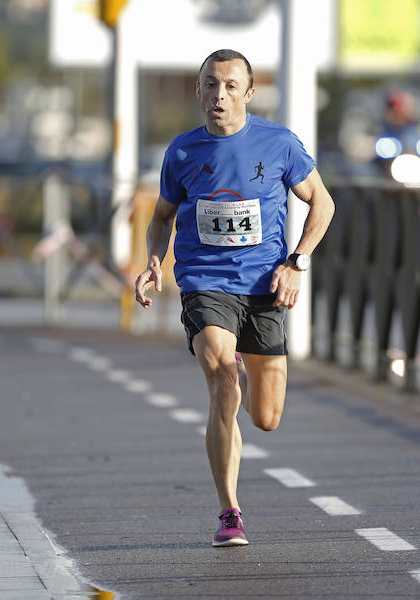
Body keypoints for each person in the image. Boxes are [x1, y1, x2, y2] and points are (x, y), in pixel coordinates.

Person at [134, 49, 335, 547]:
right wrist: (154, 260)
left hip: (265, 287)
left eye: (228, 86)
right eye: (209, 85)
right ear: (197, 90)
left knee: (266, 418)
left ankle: (245, 374)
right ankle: (230, 511)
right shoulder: (181, 153)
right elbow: (161, 218)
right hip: (205, 284)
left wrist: (296, 262)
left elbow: (323, 203)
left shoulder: (279, 143)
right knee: (223, 376)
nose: (217, 96)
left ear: (248, 92)